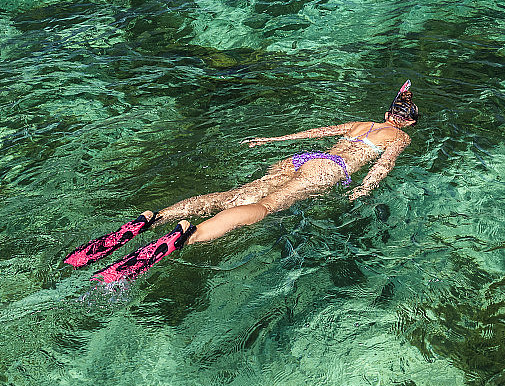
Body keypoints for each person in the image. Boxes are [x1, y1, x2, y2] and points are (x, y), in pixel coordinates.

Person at [64, 82, 419, 283]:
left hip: (303, 158)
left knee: (233, 196)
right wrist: (364, 189)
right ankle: (188, 235)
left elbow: (315, 132)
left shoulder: (361, 124)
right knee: (264, 208)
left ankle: (152, 219)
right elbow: (383, 165)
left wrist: (269, 141)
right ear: (408, 122)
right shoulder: (399, 137)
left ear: (388, 112)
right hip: (330, 169)